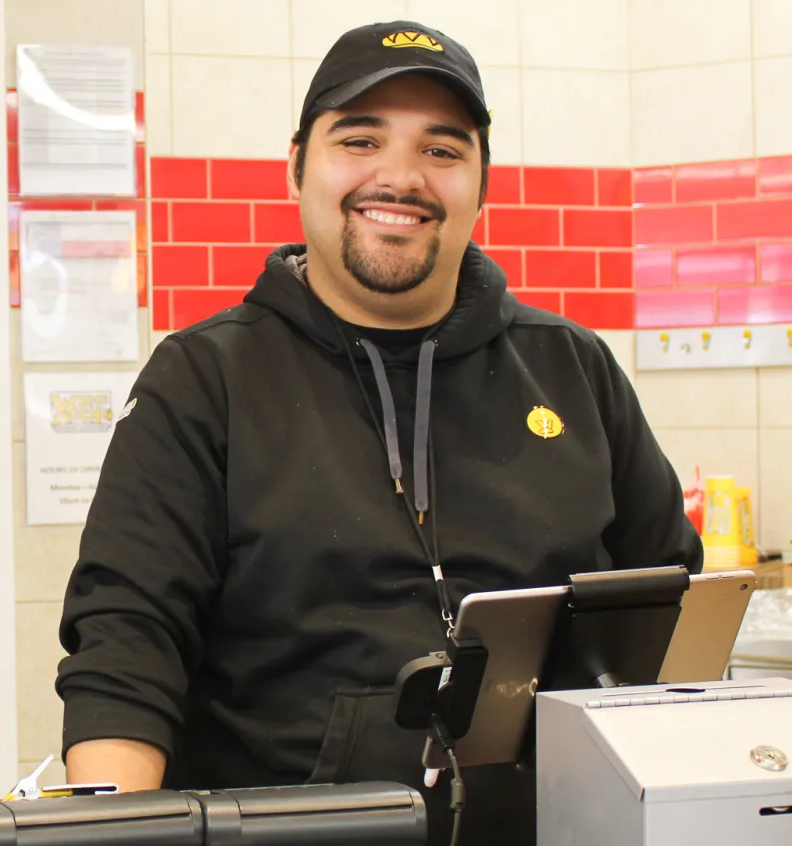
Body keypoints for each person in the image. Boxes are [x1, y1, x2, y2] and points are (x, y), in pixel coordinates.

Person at [58, 21, 700, 794]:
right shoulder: (203, 378)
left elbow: (675, 612)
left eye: (441, 149)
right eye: (360, 141)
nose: (401, 178)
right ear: (297, 167)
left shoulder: (572, 369)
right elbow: (127, 643)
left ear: (482, 184)